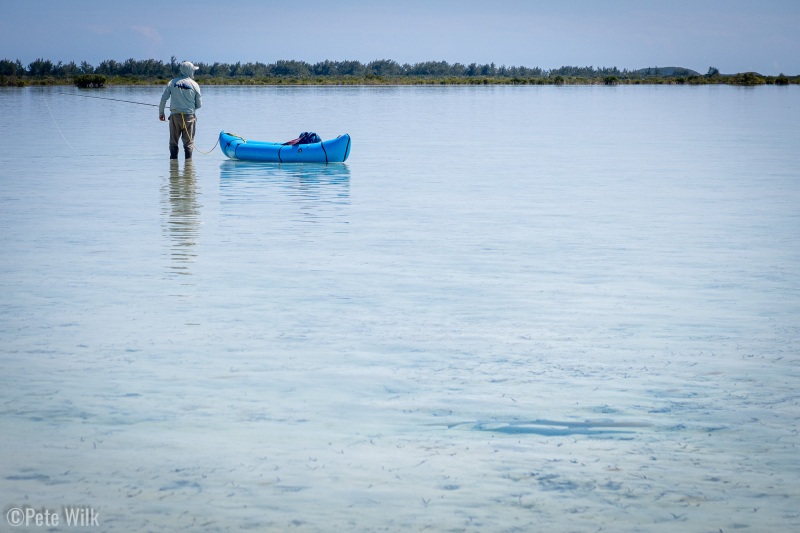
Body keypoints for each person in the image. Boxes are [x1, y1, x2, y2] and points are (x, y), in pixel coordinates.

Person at [159, 61, 202, 159]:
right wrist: (189, 108)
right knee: (189, 144)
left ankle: (173, 166)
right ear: (190, 71)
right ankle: (188, 167)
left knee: (173, 143)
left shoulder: (172, 82)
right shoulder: (195, 85)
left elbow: (163, 99)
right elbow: (199, 105)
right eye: (193, 70)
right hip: (190, 117)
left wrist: (161, 113)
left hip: (175, 117)